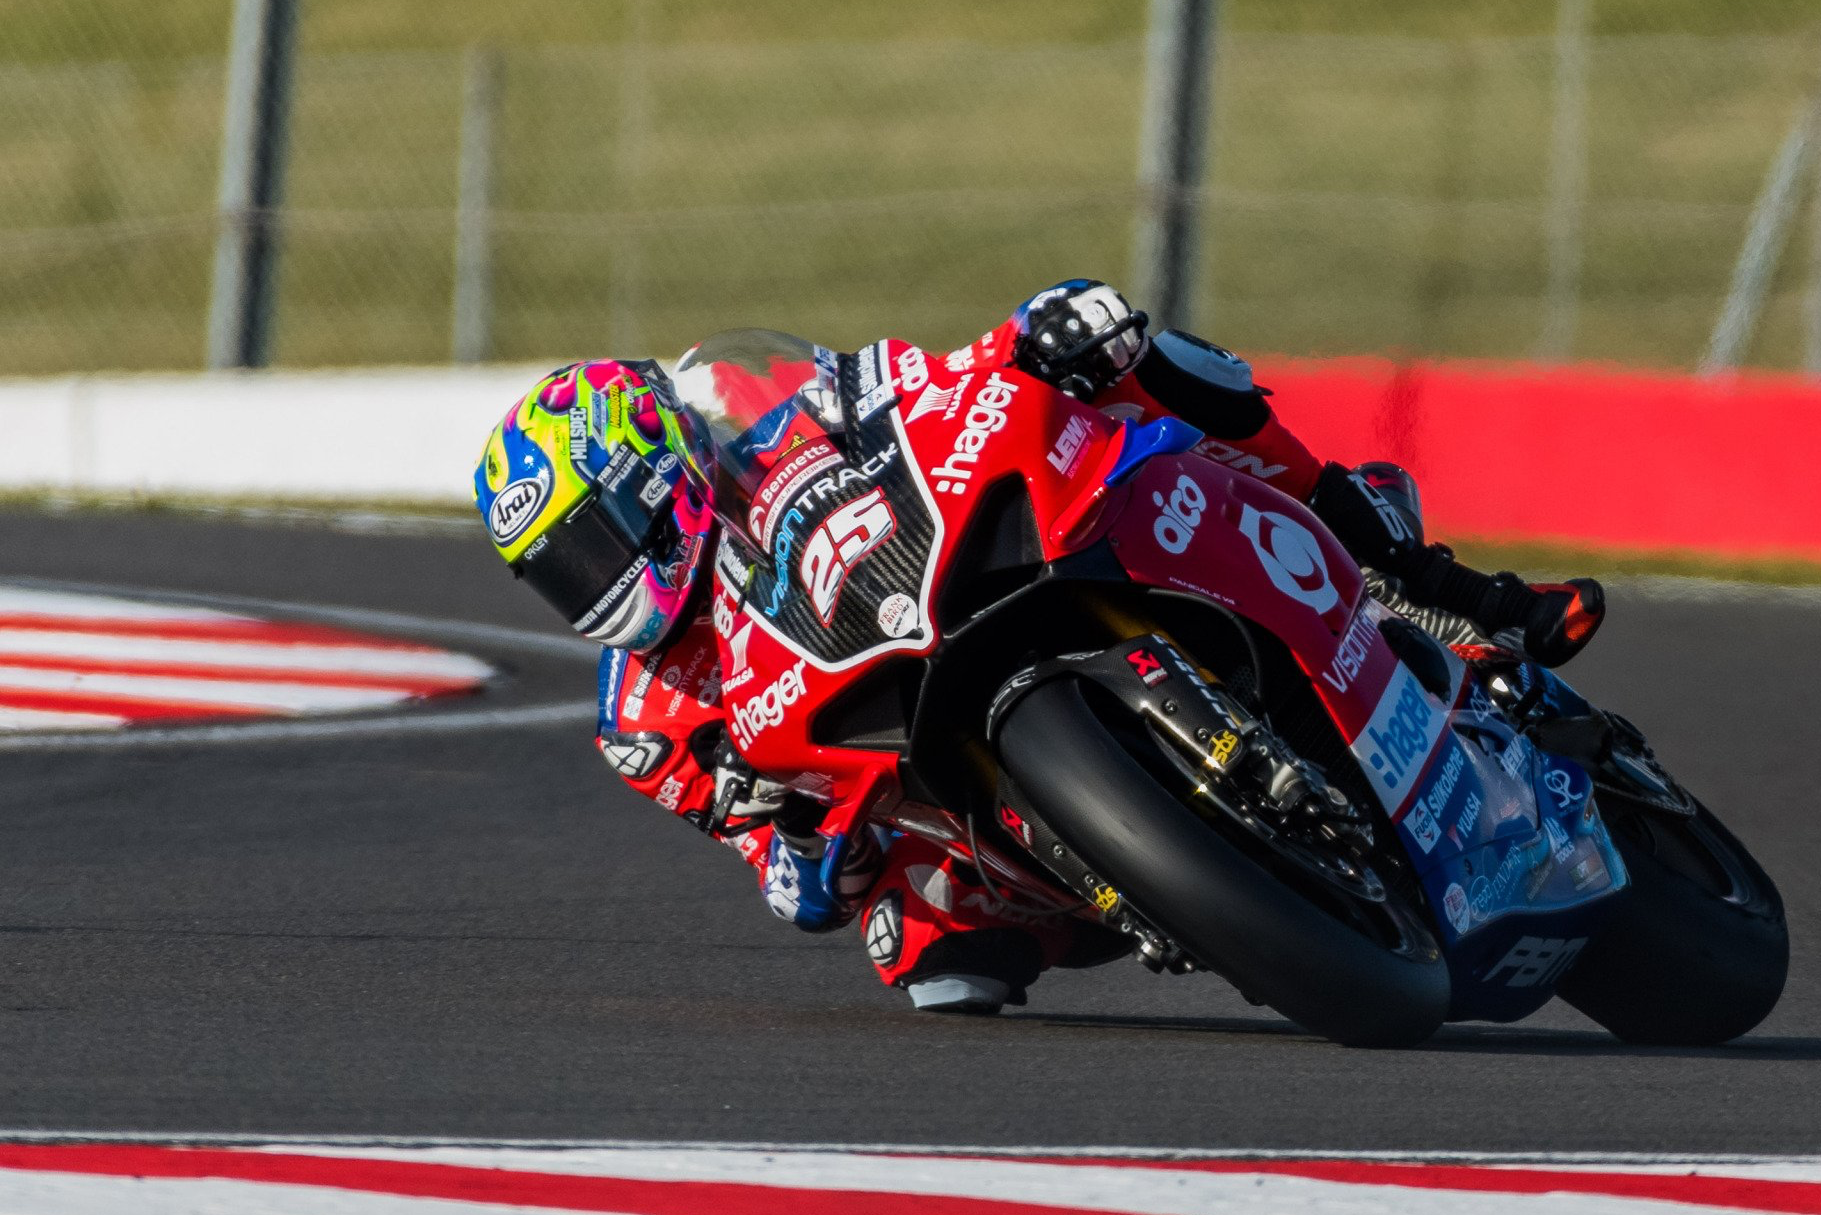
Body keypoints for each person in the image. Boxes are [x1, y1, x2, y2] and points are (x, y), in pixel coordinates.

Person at [471, 280, 1606, 1015]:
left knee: (1137, 362)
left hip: (965, 579)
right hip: (916, 776)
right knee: (927, 961)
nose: (597, 582)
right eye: (561, 573)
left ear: (659, 468)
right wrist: (799, 856)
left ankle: (1426, 575)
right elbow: (776, 876)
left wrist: (1037, 332)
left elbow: (917, 386)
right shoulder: (647, 718)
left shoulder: (782, 434)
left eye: (595, 541)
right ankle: (1191, 888)